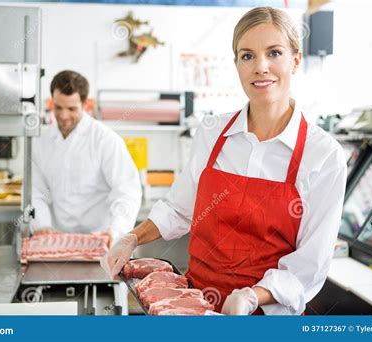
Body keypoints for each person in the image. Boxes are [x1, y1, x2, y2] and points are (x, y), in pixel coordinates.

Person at [101, 6, 347, 316]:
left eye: (274, 53)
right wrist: (132, 238)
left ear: (295, 59)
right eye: (247, 56)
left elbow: (309, 265)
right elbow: (179, 209)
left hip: (266, 316)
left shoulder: (323, 155)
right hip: (195, 306)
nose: (260, 67)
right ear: (236, 64)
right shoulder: (211, 132)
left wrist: (252, 296)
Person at [31, 70, 142, 241]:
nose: (63, 116)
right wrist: (42, 225)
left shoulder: (105, 140)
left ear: (85, 105)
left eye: (71, 109)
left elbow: (127, 191)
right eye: (58, 107)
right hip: (58, 241)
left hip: (101, 240)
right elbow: (37, 192)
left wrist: (115, 231)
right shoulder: (41, 142)